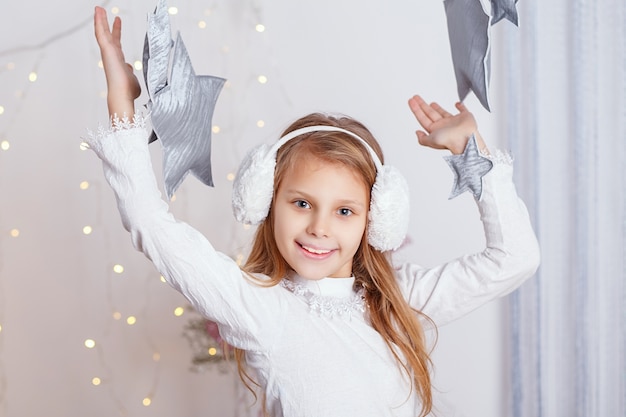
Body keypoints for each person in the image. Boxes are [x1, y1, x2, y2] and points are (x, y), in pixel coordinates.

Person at [90, 6, 540, 417]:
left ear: (376, 218)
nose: (319, 227)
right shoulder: (262, 309)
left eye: (345, 211)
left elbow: (515, 259)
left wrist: (471, 151)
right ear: (265, 199)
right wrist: (120, 99)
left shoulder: (398, 303)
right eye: (302, 203)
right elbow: (152, 224)